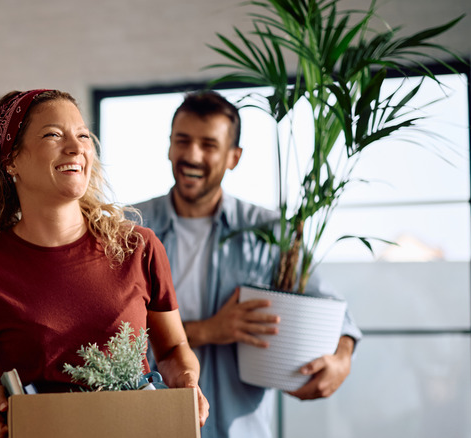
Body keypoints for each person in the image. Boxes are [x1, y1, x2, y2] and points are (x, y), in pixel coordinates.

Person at [0, 89, 209, 438]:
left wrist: (186, 380)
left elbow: (171, 348)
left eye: (82, 135)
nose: (76, 148)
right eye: (52, 135)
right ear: (11, 160)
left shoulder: (139, 247)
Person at [134, 90, 362, 438]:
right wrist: (210, 329)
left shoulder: (270, 232)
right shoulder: (129, 229)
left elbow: (338, 317)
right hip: (149, 425)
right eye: (183, 141)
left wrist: (341, 359)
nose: (192, 155)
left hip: (241, 429)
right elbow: (109, 332)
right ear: (169, 146)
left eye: (209, 145)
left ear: (233, 157)